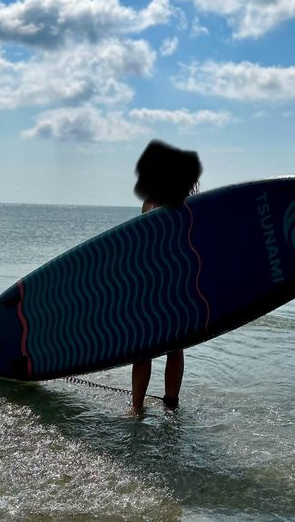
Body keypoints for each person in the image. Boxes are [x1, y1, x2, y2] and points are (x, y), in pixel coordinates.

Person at [131, 140, 202, 415]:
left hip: (178, 282)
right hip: (150, 282)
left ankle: (171, 405)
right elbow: (139, 244)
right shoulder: (149, 203)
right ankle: (137, 408)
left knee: (174, 346)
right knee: (143, 348)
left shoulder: (192, 205)